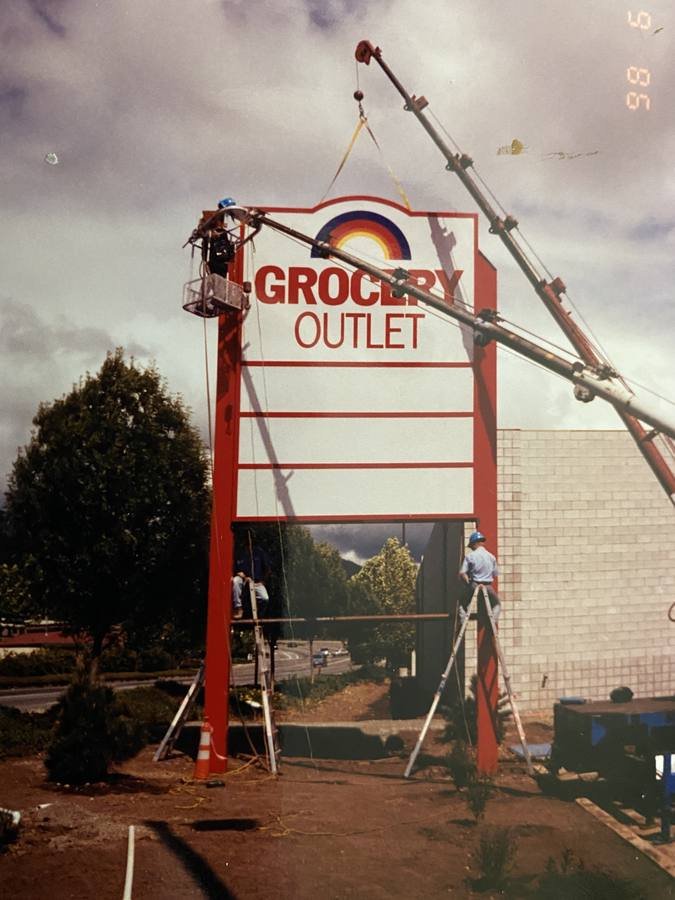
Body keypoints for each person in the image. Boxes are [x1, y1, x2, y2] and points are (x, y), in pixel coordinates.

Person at [458, 530, 501, 623]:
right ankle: (492, 621)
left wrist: (468, 583)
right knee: (496, 604)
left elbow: (462, 573)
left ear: (475, 544)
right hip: (487, 586)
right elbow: (495, 574)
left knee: (462, 603)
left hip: (475, 584)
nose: (471, 548)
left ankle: (463, 622)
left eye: (471, 546)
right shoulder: (491, 557)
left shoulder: (470, 556)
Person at [231, 532, 271, 621]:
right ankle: (238, 608)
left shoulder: (259, 552)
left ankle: (259, 616)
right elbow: (235, 569)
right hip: (243, 580)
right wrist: (243, 576)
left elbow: (268, 569)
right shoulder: (239, 553)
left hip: (256, 582)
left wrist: (263, 581)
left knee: (265, 598)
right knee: (235, 581)